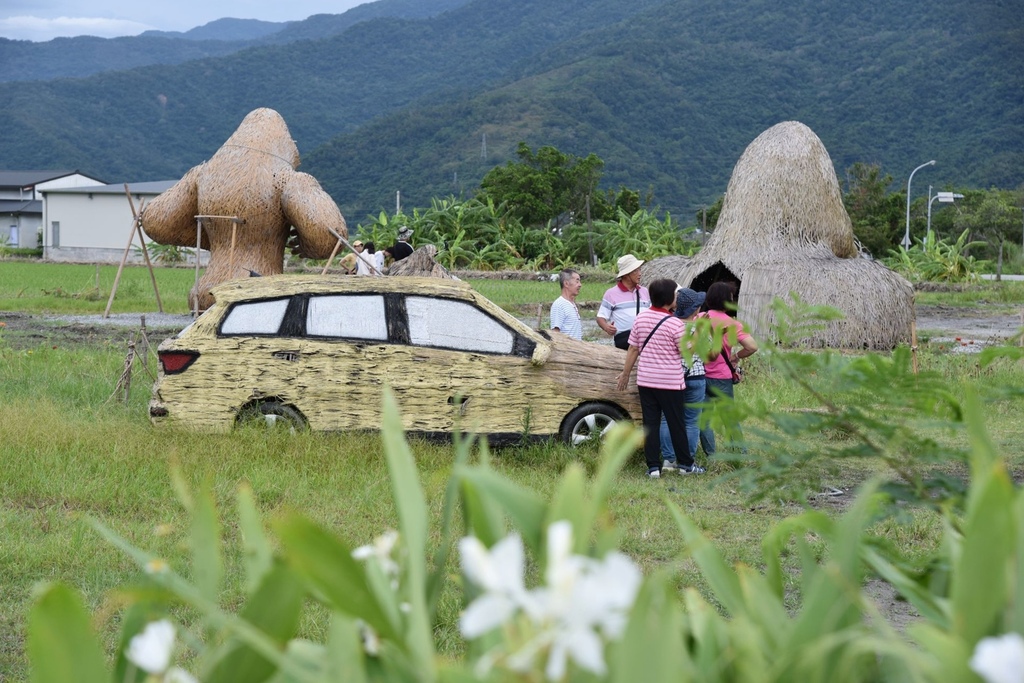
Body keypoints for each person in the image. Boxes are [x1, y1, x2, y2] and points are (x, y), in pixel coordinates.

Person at [616, 278, 704, 479]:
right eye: (675, 294)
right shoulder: (674, 324)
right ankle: (685, 465)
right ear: (668, 298)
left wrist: (625, 373)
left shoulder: (641, 318)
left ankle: (653, 467)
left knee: (651, 424)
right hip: (670, 383)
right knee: (676, 423)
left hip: (646, 381)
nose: (677, 297)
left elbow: (633, 348)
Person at [660, 287, 717, 470]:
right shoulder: (699, 328)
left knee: (667, 419)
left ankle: (669, 460)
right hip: (695, 377)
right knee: (691, 421)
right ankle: (687, 462)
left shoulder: (668, 324)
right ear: (695, 309)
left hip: (670, 377)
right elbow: (710, 355)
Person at [701, 281, 758, 447]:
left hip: (699, 376)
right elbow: (752, 347)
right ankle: (740, 454)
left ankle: (711, 456)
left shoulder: (699, 318)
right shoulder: (732, 324)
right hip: (721, 378)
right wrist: (735, 356)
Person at [597, 254, 651, 350]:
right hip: (623, 342)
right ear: (626, 274)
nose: (640, 274)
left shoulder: (644, 292)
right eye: (636, 270)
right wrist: (606, 327)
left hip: (644, 341)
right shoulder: (611, 294)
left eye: (639, 270)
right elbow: (600, 317)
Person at [550, 268, 583, 340]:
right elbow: (555, 334)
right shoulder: (559, 305)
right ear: (566, 284)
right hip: (567, 350)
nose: (580, 285)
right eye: (577, 281)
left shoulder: (572, 304)